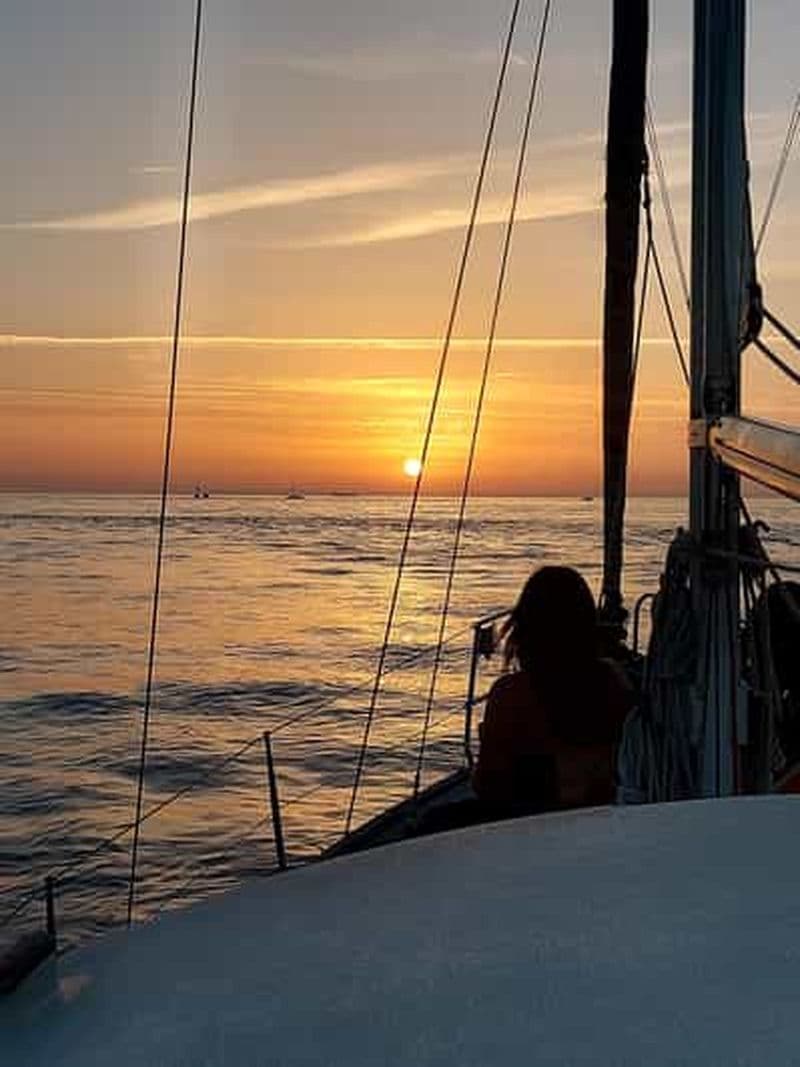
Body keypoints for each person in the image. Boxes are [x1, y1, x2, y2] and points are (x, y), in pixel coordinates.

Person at [472, 566, 634, 818]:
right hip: (600, 823)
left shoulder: (510, 696)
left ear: (525, 627)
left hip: (523, 827)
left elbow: (488, 787)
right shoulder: (614, 683)